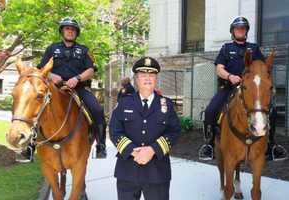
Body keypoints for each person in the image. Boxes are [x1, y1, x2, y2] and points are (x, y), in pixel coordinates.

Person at [16, 17, 107, 162]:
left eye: (73, 29)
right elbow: (41, 68)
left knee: (96, 109)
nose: (70, 32)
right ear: (62, 31)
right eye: (67, 29)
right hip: (54, 88)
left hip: (78, 88)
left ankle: (101, 145)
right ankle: (30, 147)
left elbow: (90, 70)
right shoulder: (52, 48)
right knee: (37, 110)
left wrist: (77, 78)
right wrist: (52, 76)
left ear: (76, 33)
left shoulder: (84, 50)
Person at [198, 16, 287, 161]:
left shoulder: (254, 48)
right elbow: (219, 69)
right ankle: (209, 145)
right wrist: (230, 77)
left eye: (243, 28)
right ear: (233, 31)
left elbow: (262, 68)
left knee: (272, 111)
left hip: (251, 90)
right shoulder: (226, 48)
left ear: (246, 31)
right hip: (229, 88)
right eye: (238, 28)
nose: (240, 30)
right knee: (211, 111)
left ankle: (271, 145)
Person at [109, 57, 181, 200]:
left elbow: (174, 131)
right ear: (136, 79)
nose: (147, 78)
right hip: (127, 170)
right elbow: (114, 131)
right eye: (143, 75)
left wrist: (152, 150)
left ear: (156, 78)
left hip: (157, 172)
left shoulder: (166, 105)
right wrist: (133, 152)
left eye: (151, 75)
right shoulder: (124, 103)